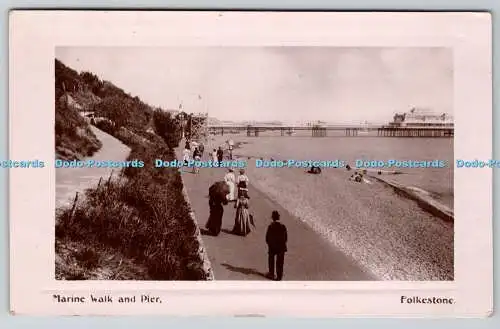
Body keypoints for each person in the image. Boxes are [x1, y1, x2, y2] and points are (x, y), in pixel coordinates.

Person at [265, 210, 287, 281]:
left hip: (273, 247)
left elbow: (267, 238)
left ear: (272, 218)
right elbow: (285, 238)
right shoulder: (283, 226)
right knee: (280, 263)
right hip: (281, 247)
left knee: (271, 260)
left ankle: (271, 274)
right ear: (279, 218)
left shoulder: (271, 226)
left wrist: (270, 244)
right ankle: (279, 277)